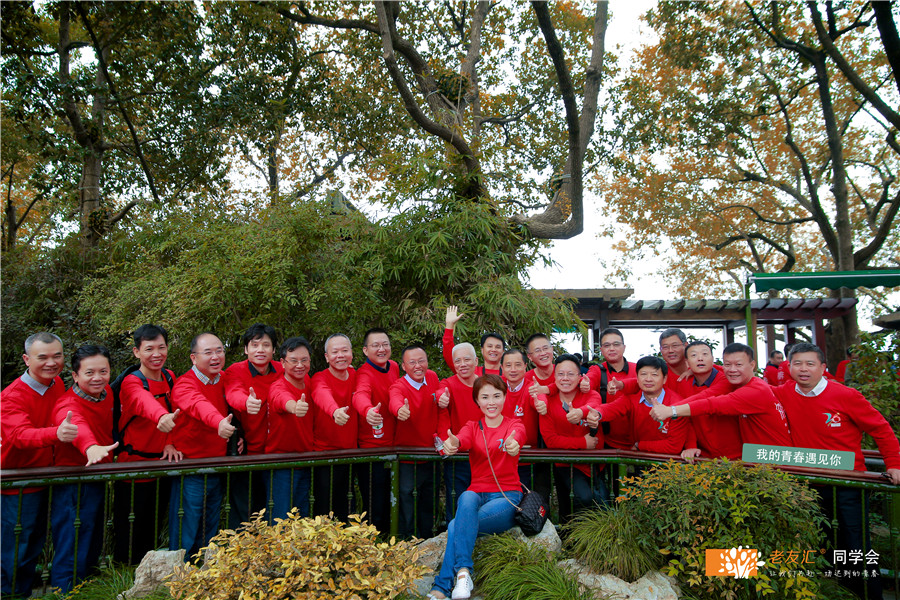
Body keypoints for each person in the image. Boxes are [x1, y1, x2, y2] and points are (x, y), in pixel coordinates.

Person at [775, 342, 899, 600]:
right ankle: (836, 593)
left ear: (823, 367)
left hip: (848, 484)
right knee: (821, 545)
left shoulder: (846, 395)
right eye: (797, 363)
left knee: (855, 545)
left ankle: (869, 595)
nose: (803, 369)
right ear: (789, 367)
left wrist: (894, 464)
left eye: (810, 364)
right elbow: (742, 390)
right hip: (808, 484)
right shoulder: (783, 393)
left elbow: (881, 429)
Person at [428, 374, 525, 600]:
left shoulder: (514, 425)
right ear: (477, 401)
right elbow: (461, 439)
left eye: (496, 396)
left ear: (504, 397)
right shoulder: (473, 426)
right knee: (466, 497)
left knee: (456, 525)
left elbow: (518, 436)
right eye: (485, 397)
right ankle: (463, 573)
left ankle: (443, 586)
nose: (491, 402)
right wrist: (453, 443)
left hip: (506, 495)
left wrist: (514, 444)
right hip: (478, 493)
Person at [1, 333, 71, 598]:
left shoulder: (56, 384)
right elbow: (18, 436)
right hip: (16, 483)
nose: (51, 363)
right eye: (43, 357)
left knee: (35, 544)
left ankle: (23, 593)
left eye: (57, 356)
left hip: (46, 476)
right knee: (14, 549)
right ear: (26, 359)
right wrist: (56, 434)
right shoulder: (11, 396)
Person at [51, 345, 119, 593]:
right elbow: (75, 424)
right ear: (75, 375)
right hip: (72, 479)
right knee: (71, 539)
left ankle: (88, 590)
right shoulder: (67, 404)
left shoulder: (107, 394)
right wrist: (90, 446)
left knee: (92, 535)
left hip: (96, 475)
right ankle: (64, 593)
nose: (97, 378)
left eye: (103, 371)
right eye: (89, 373)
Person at [113, 324, 181, 563]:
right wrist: (161, 416)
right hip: (132, 468)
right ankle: (123, 573)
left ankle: (149, 574)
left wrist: (169, 442)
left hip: (161, 466)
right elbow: (143, 401)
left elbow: (176, 412)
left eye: (161, 347)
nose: (156, 354)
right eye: (149, 349)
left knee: (153, 527)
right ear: (136, 352)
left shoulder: (170, 377)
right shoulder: (132, 382)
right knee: (129, 531)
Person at [648, 343, 791, 447]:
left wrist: (671, 410)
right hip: (756, 457)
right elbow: (707, 394)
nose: (732, 369)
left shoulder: (754, 391)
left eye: (739, 365)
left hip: (776, 461)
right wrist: (697, 368)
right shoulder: (742, 383)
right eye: (727, 364)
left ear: (752, 365)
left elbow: (711, 404)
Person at [169, 333, 236, 556]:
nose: (215, 357)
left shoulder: (224, 379)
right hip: (191, 467)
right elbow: (199, 405)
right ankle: (179, 571)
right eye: (208, 352)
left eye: (219, 351)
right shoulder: (184, 384)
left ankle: (204, 570)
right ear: (193, 357)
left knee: (210, 525)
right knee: (187, 525)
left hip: (217, 464)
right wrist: (219, 422)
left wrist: (238, 435)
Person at [224, 323, 284, 526]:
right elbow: (233, 392)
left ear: (274, 350)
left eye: (266, 345)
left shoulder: (282, 369)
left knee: (275, 510)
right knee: (245, 512)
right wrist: (246, 402)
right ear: (246, 349)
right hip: (248, 453)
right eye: (255, 345)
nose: (260, 350)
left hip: (278, 452)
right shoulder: (235, 370)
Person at [534, 354, 604, 523]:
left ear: (580, 377)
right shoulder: (547, 402)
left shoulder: (591, 395)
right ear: (554, 376)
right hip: (566, 463)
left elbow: (595, 405)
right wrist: (583, 443)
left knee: (602, 501)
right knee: (581, 499)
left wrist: (580, 412)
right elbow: (551, 440)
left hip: (594, 463)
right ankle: (570, 536)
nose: (565, 378)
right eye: (560, 374)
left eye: (570, 374)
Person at [389, 344, 444, 538]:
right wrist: (399, 409)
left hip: (430, 454)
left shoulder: (432, 377)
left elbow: (441, 389)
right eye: (412, 362)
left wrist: (441, 395)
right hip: (407, 457)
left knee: (429, 500)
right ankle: (406, 542)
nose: (418, 366)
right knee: (406, 499)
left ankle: (429, 539)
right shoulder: (399, 386)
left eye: (421, 361)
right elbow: (394, 399)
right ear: (403, 366)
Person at [352, 328, 400, 534]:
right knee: (375, 506)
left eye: (385, 344)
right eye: (376, 345)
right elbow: (360, 394)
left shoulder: (394, 367)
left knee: (394, 502)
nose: (382, 349)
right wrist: (367, 410)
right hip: (371, 449)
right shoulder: (364, 373)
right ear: (365, 350)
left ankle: (394, 542)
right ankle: (373, 545)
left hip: (395, 446)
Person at [589, 356, 688, 455]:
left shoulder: (678, 405)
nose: (648, 379)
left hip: (667, 461)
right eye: (643, 374)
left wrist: (639, 445)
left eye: (654, 374)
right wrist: (597, 413)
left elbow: (674, 446)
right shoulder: (632, 397)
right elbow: (612, 408)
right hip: (639, 456)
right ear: (637, 378)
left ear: (665, 379)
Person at [266, 336, 315, 520]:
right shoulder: (277, 386)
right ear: (282, 363)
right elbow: (281, 399)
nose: (299, 365)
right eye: (293, 361)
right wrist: (294, 407)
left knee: (302, 517)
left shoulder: (308, 381)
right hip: (282, 462)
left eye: (304, 360)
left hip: (305, 459)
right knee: (280, 518)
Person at [311, 333, 358, 520]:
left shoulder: (356, 375)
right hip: (325, 454)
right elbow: (321, 394)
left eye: (344, 350)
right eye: (335, 352)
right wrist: (334, 411)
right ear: (326, 357)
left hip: (351, 453)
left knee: (347, 507)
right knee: (324, 507)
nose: (340, 355)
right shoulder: (319, 378)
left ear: (352, 353)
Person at [672, 340, 742, 462]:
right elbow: (686, 420)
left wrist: (671, 409)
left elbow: (705, 398)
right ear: (687, 362)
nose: (700, 358)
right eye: (694, 355)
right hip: (704, 456)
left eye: (705, 354)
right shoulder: (684, 382)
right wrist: (691, 446)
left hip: (738, 455)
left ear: (713, 359)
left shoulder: (727, 380)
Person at [500, 348, 550, 505]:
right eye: (508, 365)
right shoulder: (495, 387)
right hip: (500, 458)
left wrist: (541, 404)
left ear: (525, 366)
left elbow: (539, 397)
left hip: (527, 459)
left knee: (525, 503)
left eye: (517, 365)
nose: (513, 369)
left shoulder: (531, 387)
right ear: (502, 367)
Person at [439, 343, 482, 521]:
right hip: (459, 456)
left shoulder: (486, 384)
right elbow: (440, 393)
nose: (462, 364)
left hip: (484, 455)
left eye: (467, 359)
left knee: (484, 502)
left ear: (476, 361)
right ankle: (454, 534)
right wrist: (441, 397)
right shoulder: (448, 384)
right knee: (456, 502)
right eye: (458, 361)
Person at [580, 328, 637, 450]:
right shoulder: (597, 370)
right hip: (607, 442)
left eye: (616, 344)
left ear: (624, 347)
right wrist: (585, 383)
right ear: (601, 350)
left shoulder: (638, 370)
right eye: (607, 345)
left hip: (638, 442)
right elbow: (589, 379)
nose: (611, 348)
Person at [441, 305, 505, 375]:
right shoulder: (471, 373)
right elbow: (451, 356)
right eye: (489, 346)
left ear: (503, 351)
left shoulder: (510, 374)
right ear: (482, 350)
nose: (493, 350)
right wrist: (449, 325)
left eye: (498, 347)